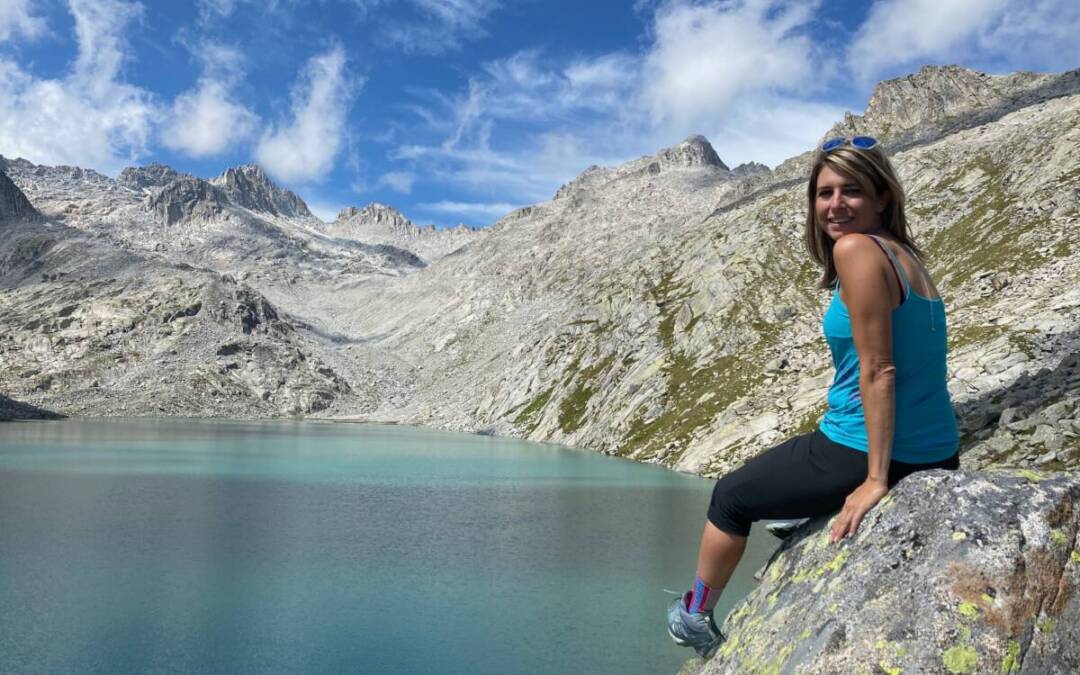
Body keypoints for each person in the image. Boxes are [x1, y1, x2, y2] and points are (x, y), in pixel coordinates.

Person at [666, 136, 960, 658]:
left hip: (874, 451)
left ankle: (695, 614)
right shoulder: (905, 254)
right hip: (937, 449)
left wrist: (875, 480)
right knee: (788, 477)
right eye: (824, 193)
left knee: (730, 497)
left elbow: (880, 369)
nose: (835, 205)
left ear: (882, 197)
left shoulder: (856, 250)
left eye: (852, 191)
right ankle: (801, 510)